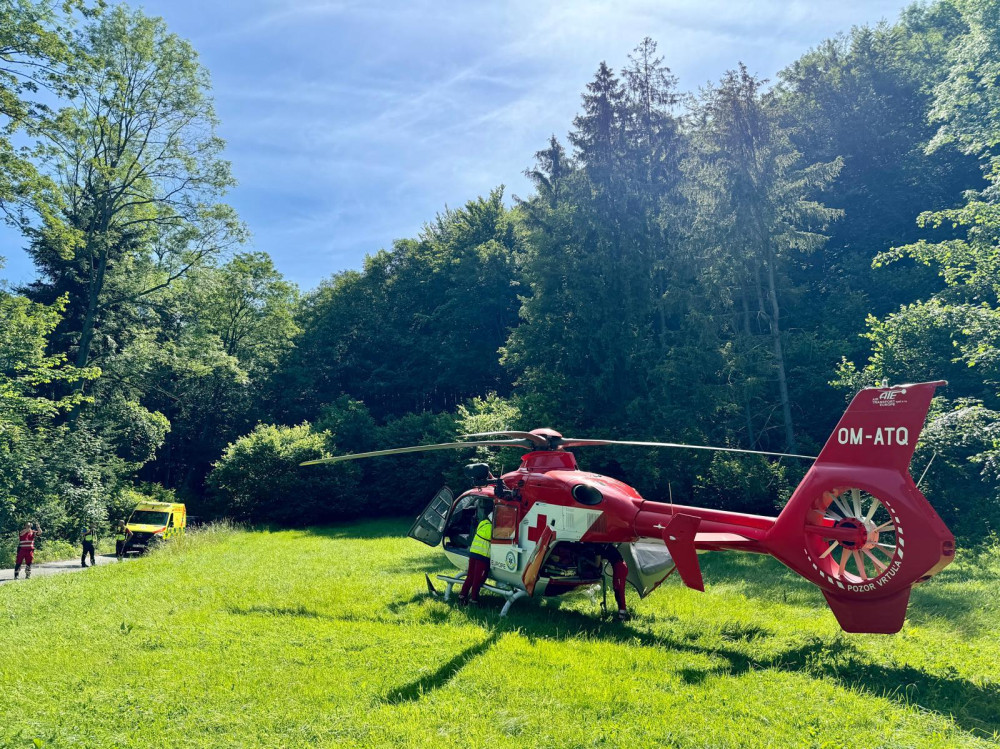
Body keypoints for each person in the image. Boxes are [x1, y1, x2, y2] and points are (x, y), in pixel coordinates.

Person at [459, 502, 493, 606]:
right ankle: (474, 600)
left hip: (473, 553)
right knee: (477, 579)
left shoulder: (483, 523)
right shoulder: (492, 528)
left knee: (470, 576)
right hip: (482, 556)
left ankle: (462, 596)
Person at [598, 543, 630, 621]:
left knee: (619, 591)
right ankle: (621, 612)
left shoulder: (598, 547)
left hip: (619, 568)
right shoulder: (606, 545)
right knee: (617, 590)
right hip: (619, 567)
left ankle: (622, 615)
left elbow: (597, 563)